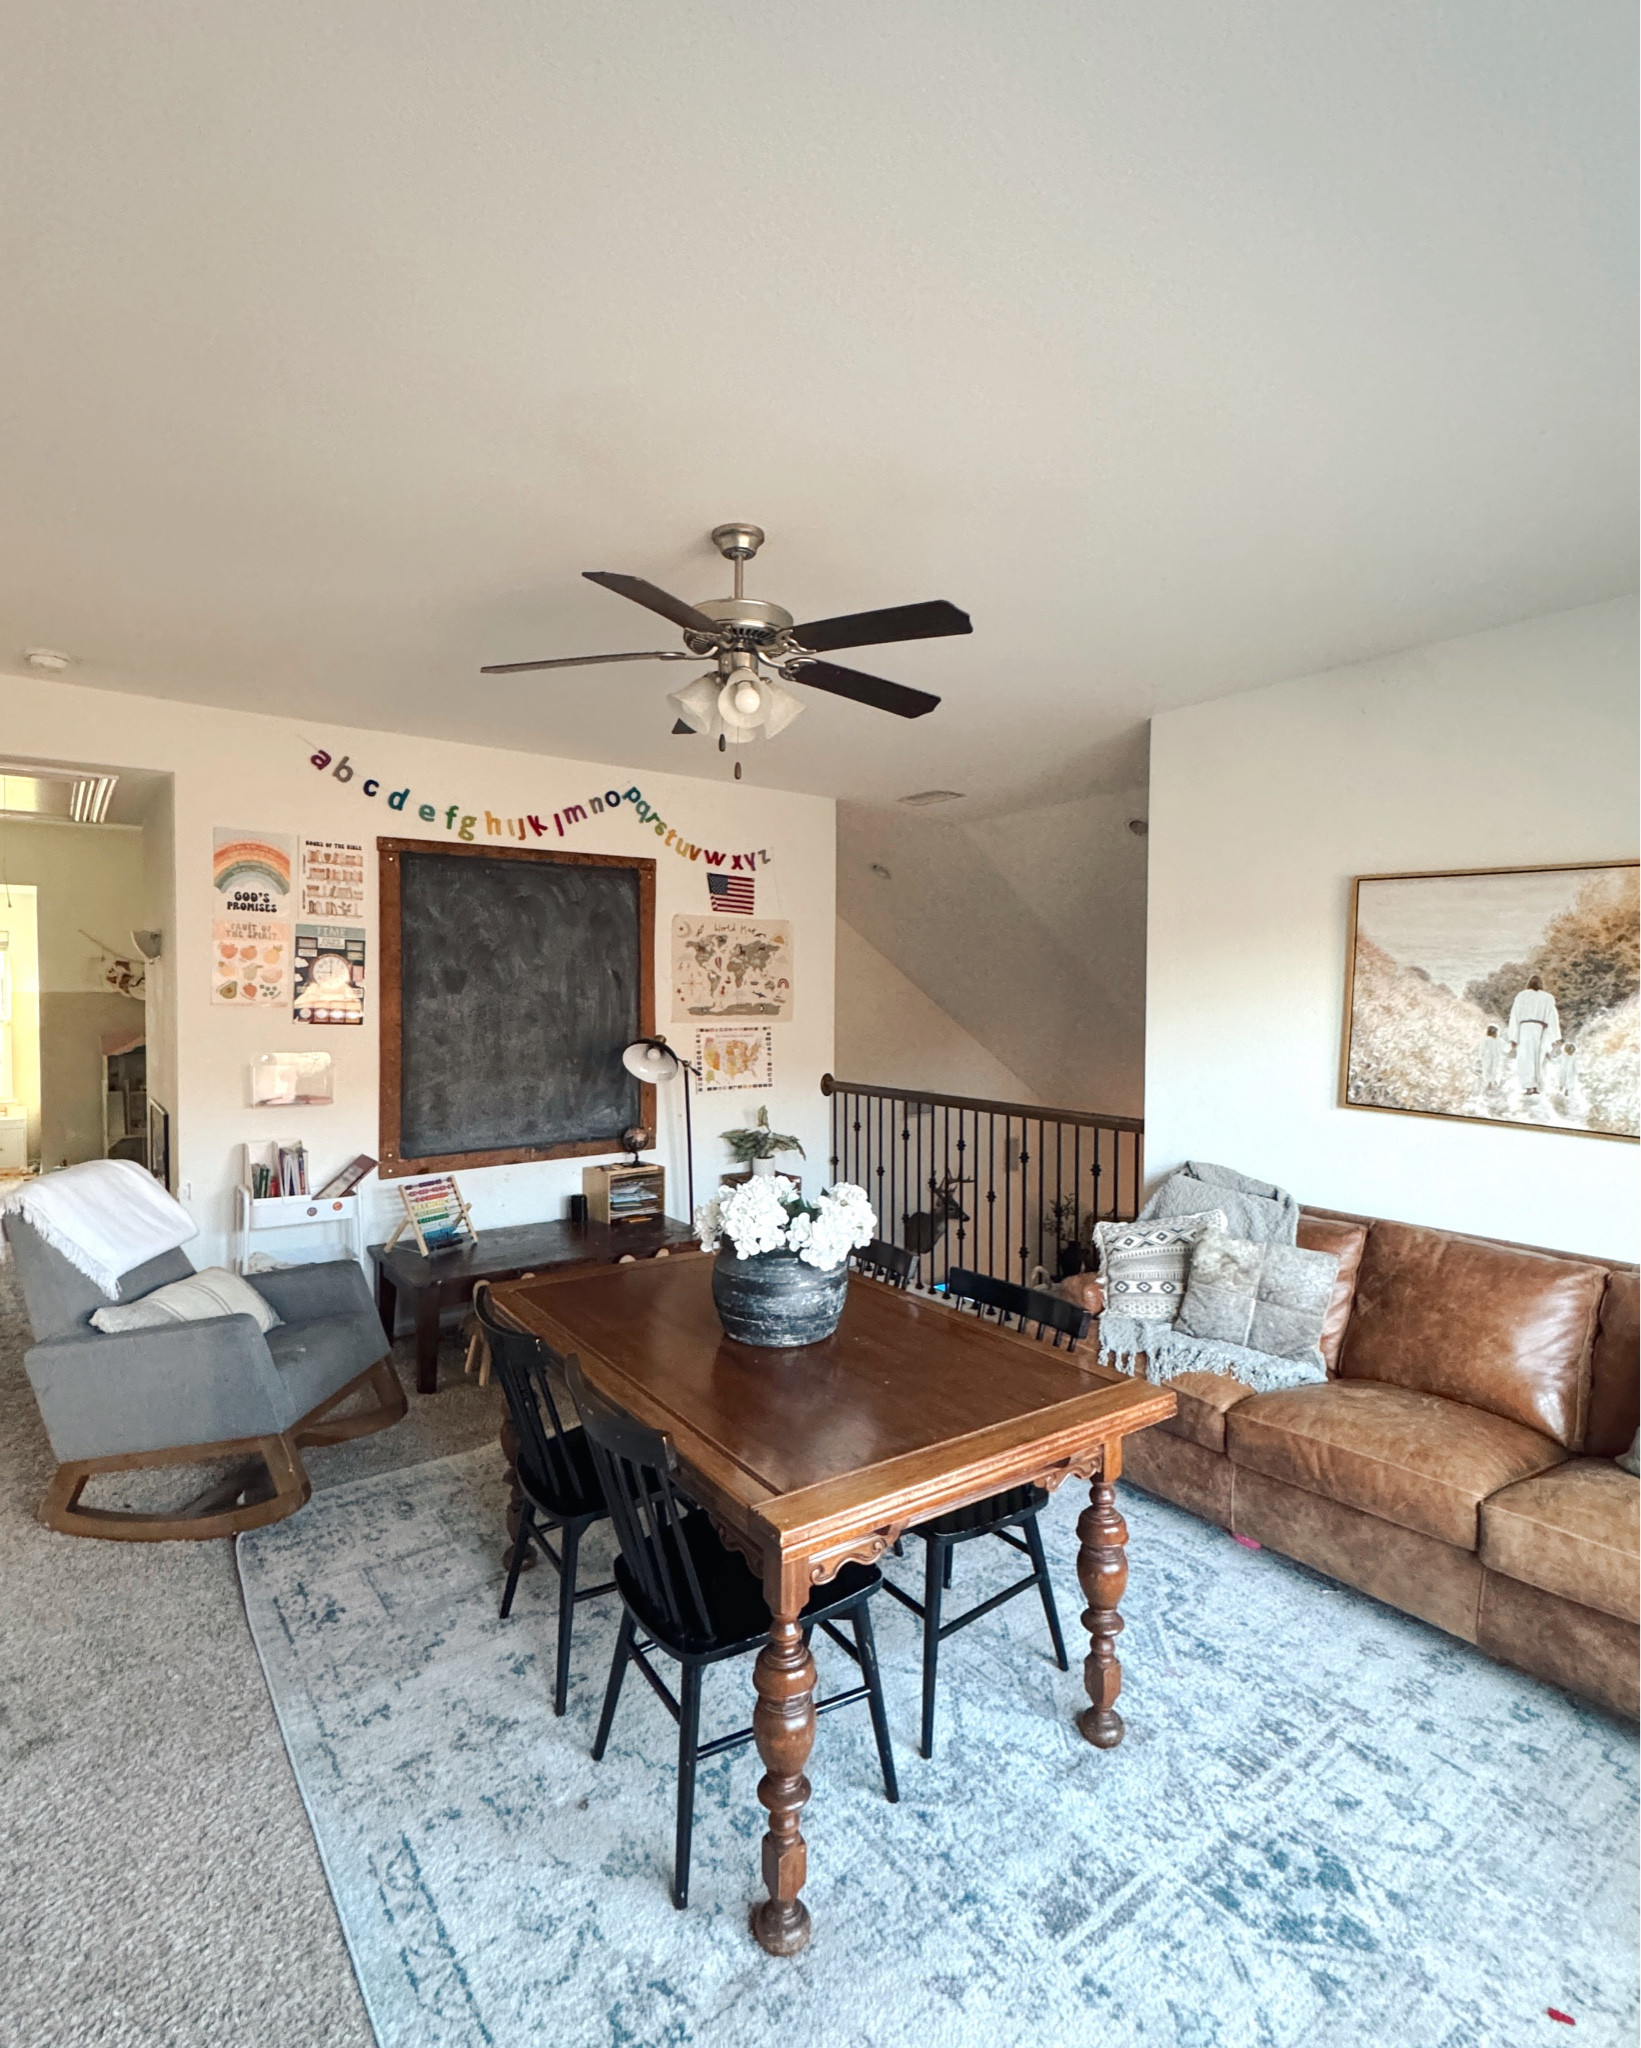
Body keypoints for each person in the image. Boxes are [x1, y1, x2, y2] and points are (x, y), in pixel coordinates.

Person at [1507, 975, 1561, 1096]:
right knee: (1539, 1057)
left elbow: (1514, 1017)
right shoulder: (1547, 998)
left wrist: (1514, 1037)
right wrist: (1554, 1036)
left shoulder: (1521, 996)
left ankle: (1529, 1086)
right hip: (1540, 1029)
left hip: (1524, 1029)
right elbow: (1553, 1017)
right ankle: (1538, 1086)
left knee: (1526, 1057)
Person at [1478, 1026, 1506, 1093]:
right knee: (1495, 1070)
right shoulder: (1499, 1040)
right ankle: (1493, 1083)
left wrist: (1480, 1056)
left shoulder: (1485, 1039)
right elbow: (1506, 1048)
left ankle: (1488, 1083)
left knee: (1487, 1070)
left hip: (1487, 1057)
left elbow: (1481, 1049)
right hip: (1496, 1057)